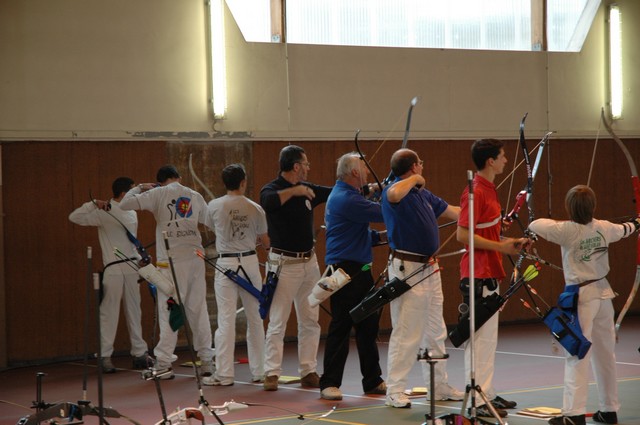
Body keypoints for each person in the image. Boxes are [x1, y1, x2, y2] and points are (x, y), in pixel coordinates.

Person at [529, 185, 637, 425]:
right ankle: (609, 410)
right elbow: (625, 229)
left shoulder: (565, 230)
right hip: (603, 296)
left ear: (569, 208)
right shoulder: (604, 227)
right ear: (593, 207)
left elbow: (535, 224)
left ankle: (574, 414)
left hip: (582, 299)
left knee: (577, 352)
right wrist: (636, 223)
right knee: (605, 354)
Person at [381, 148, 464, 409]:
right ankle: (395, 389)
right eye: (420, 164)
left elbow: (454, 211)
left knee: (436, 330)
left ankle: (437, 386)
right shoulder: (396, 190)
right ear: (414, 167)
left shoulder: (422, 194)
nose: (422, 167)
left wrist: (485, 218)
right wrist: (415, 180)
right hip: (408, 268)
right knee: (407, 330)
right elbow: (393, 194)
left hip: (430, 268)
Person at [456, 138, 528, 418]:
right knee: (480, 340)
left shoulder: (489, 188)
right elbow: (463, 235)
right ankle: (476, 400)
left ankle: (485, 391)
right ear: (490, 161)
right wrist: (501, 246)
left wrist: (511, 242)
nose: (506, 160)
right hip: (478, 273)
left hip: (489, 271)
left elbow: (487, 233)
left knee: (488, 340)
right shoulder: (474, 191)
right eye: (502, 156)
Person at [120, 165, 215, 379]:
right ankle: (207, 361)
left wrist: (140, 187)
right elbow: (212, 222)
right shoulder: (194, 195)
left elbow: (124, 204)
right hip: (195, 261)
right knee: (198, 310)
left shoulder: (158, 193)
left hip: (171, 265)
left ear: (160, 181)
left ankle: (163, 363)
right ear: (178, 177)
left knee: (169, 310)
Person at [259, 145, 332, 391]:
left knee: (310, 318)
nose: (309, 168)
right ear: (296, 166)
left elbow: (335, 192)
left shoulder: (308, 189)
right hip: (284, 263)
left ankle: (308, 370)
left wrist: (369, 188)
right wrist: (295, 191)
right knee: (278, 319)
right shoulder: (272, 189)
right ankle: (271, 372)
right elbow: (268, 202)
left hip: (308, 262)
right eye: (306, 164)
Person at [319, 152, 386, 401]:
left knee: (368, 327)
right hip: (345, 271)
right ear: (355, 172)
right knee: (342, 325)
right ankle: (329, 383)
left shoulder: (348, 196)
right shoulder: (346, 199)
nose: (368, 171)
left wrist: (381, 236)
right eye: (364, 167)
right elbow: (383, 213)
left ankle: (373, 380)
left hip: (361, 271)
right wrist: (390, 195)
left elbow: (357, 233)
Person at [69, 177, 152, 373]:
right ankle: (104, 356)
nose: (135, 195)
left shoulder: (132, 212)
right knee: (109, 312)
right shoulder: (104, 212)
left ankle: (139, 353)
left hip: (132, 266)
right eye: (132, 191)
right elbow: (74, 217)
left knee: (135, 310)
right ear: (123, 194)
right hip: (113, 268)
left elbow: (131, 242)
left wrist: (140, 259)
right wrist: (93, 204)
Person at [203, 163, 270, 386]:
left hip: (226, 263)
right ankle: (260, 371)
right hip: (249, 262)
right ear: (243, 182)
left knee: (226, 319)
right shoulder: (255, 208)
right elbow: (265, 241)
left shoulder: (214, 205)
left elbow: (213, 227)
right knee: (255, 318)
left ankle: (224, 374)